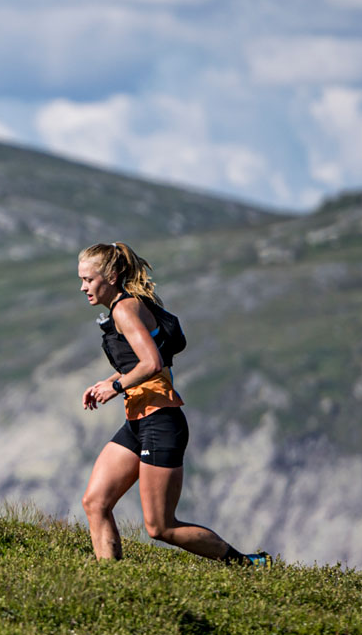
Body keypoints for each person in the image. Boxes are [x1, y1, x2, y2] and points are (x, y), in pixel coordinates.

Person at [76, 241, 271, 566]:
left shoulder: (125, 308)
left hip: (161, 422)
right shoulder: (123, 309)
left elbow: (152, 362)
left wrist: (114, 386)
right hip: (138, 421)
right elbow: (138, 362)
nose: (83, 287)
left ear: (110, 275)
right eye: (81, 280)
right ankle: (110, 583)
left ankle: (248, 564)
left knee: (160, 527)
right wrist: (106, 380)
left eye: (89, 280)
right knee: (95, 502)